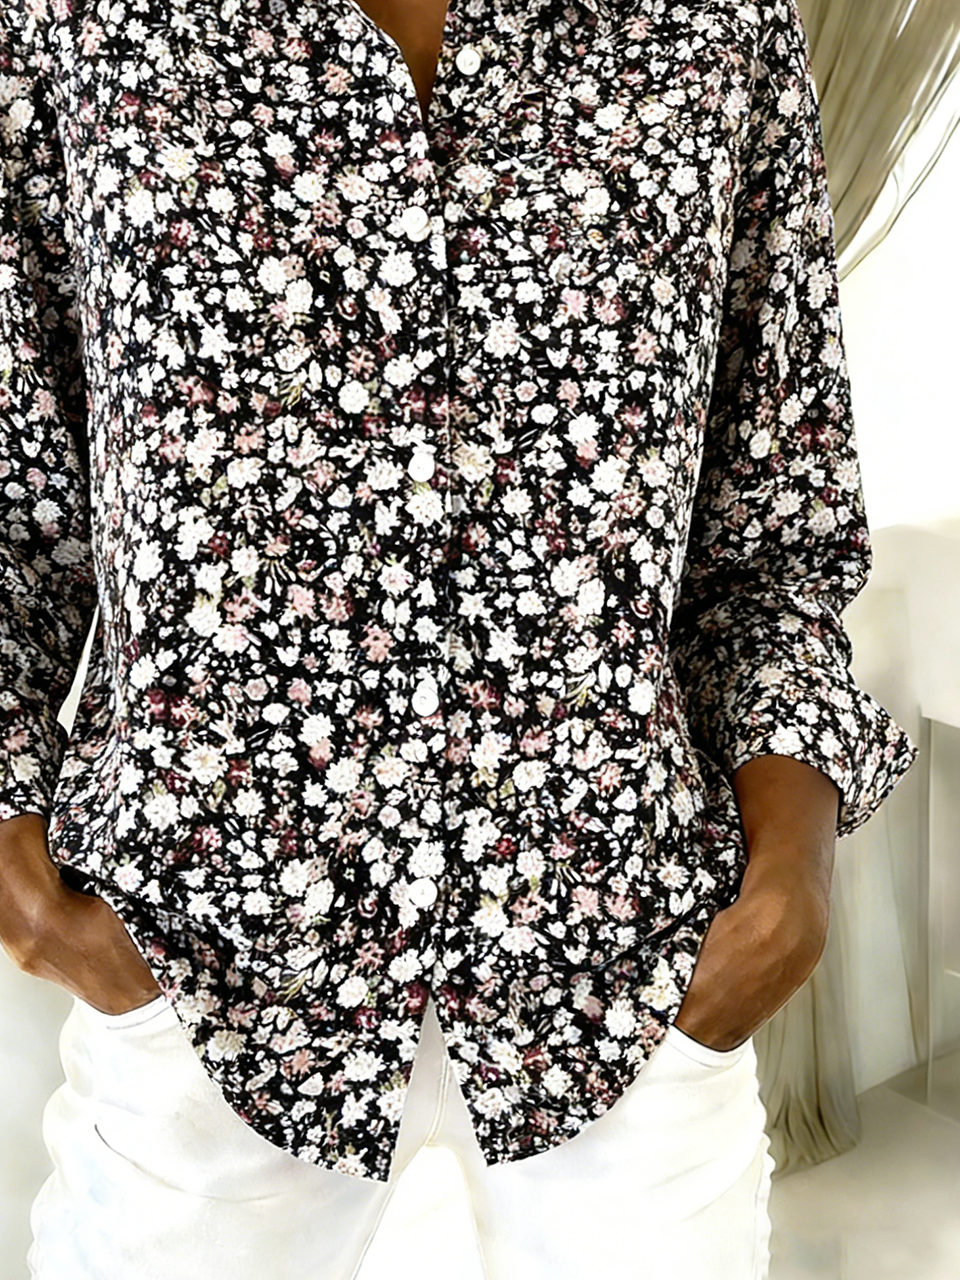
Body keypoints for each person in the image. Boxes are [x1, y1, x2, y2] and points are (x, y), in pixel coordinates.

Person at [0, 0, 918, 1274]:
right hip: (203, 966)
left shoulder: (713, 27)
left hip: (627, 965)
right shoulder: (78, 22)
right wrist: (22, 870)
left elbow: (772, 539)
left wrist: (791, 886)